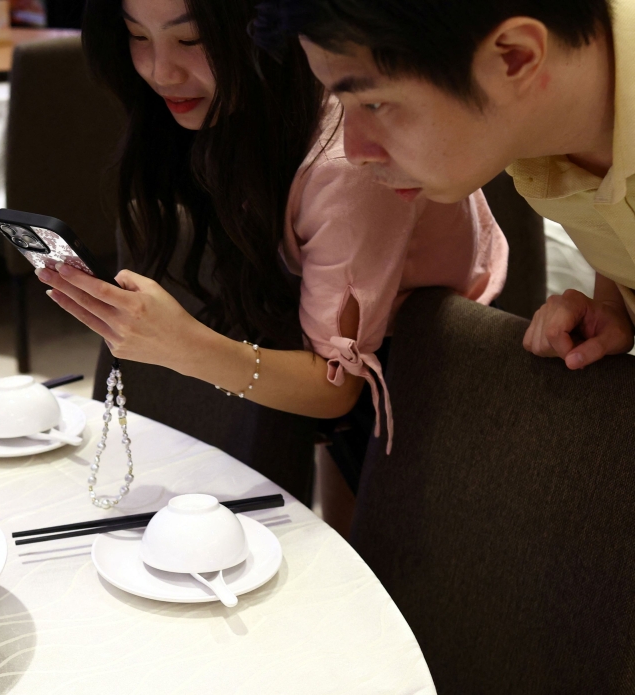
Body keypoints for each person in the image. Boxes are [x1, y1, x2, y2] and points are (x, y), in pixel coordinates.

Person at [37, 0, 507, 533]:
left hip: (430, 373)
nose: (159, 70)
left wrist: (183, 345)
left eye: (190, 40)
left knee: (386, 571)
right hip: (349, 348)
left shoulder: (347, 159)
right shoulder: (241, 106)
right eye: (136, 36)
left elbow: (335, 389)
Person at [256, 0, 635, 370]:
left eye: (374, 104)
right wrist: (613, 303)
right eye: (340, 102)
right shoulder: (545, 115)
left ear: (514, 57)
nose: (355, 152)